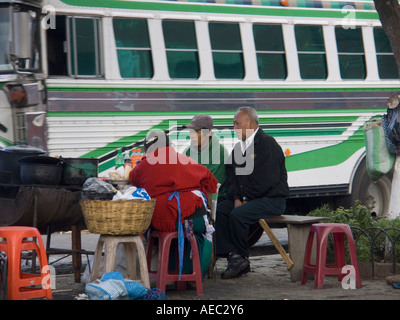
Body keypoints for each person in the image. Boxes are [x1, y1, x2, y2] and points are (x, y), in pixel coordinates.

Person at [129, 130, 218, 278]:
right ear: (168, 145)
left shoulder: (143, 166)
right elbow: (208, 178)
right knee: (197, 234)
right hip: (190, 220)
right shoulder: (184, 159)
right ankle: (192, 276)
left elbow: (133, 179)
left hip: (162, 222)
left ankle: (169, 275)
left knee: (157, 231)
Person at [216, 107, 289, 279]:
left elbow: (267, 180)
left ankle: (242, 257)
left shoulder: (267, 143)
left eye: (237, 124)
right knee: (221, 210)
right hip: (247, 198)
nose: (234, 128)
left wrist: (246, 198)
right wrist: (236, 197)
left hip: (272, 199)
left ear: (249, 122)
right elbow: (231, 176)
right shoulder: (239, 147)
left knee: (238, 214)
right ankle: (233, 255)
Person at [183, 114, 229, 201]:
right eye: (191, 131)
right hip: (193, 197)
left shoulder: (220, 152)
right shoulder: (188, 151)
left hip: (215, 200)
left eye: (197, 131)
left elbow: (210, 184)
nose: (192, 135)